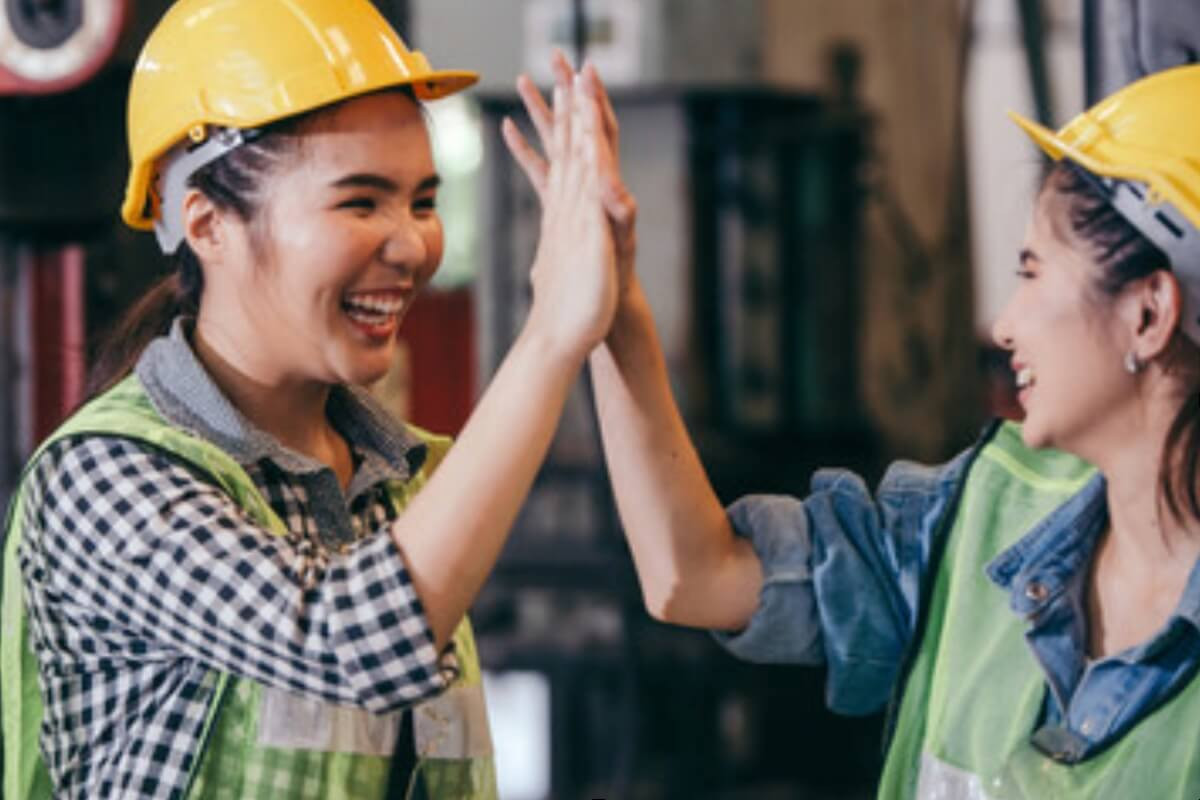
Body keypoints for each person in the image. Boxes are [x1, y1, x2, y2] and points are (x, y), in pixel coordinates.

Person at [506, 59, 1200, 797]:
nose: (1004, 325)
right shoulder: (976, 522)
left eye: (1031, 273)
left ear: (1149, 313)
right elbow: (695, 575)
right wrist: (617, 306)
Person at [0, 1, 618, 798]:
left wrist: (615, 299)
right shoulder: (107, 480)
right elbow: (346, 641)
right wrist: (549, 338)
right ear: (208, 223)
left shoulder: (405, 483)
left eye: (422, 202)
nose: (412, 245)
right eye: (360, 202)